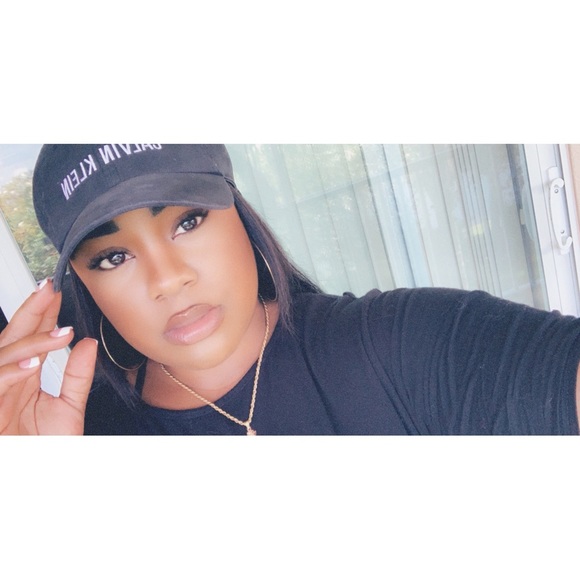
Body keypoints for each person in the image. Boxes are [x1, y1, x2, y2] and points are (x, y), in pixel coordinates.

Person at [1, 143, 580, 435]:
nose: (168, 278)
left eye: (187, 221)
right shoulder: (87, 437)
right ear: (84, 287)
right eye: (114, 257)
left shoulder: (399, 346)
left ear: (238, 214)